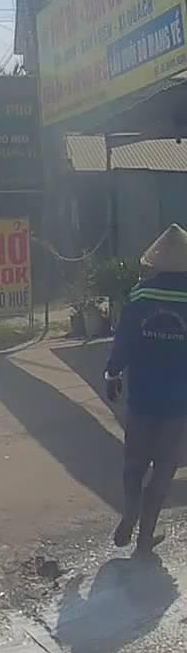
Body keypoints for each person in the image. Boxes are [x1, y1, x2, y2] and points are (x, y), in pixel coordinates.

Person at [105, 223, 187, 554]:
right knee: (164, 466)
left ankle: (129, 513)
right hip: (178, 400)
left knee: (134, 461)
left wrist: (112, 373)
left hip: (142, 394)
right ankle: (145, 537)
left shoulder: (140, 296)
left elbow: (123, 340)